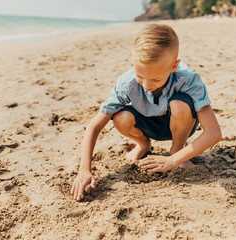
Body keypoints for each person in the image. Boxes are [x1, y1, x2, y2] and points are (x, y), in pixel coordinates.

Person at [70, 24, 222, 201]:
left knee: (180, 105)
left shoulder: (188, 79)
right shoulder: (126, 83)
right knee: (120, 116)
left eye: (156, 79)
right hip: (148, 123)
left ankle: (176, 150)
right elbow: (94, 127)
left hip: (181, 122)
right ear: (133, 64)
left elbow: (214, 132)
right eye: (140, 76)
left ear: (174, 67)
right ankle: (143, 145)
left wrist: (172, 161)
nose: (147, 86)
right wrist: (84, 170)